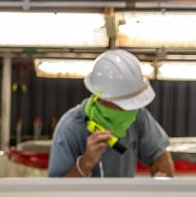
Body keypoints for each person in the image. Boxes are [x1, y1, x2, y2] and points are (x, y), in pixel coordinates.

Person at [47, 49, 176, 179]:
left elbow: (160, 156)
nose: (130, 112)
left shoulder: (138, 116)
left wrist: (162, 179)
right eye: (125, 104)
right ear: (103, 98)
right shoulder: (70, 128)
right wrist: (86, 163)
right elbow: (57, 192)